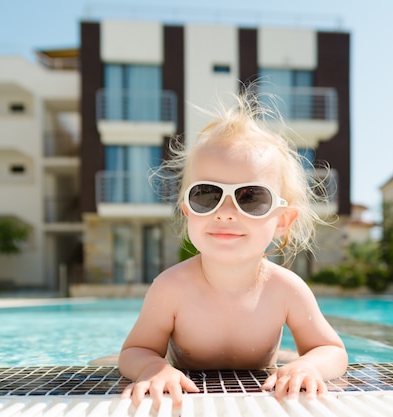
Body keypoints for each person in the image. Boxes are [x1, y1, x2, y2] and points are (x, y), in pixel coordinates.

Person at [118, 88, 348, 410]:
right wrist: (152, 368)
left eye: (251, 197)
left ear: (282, 221)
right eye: (207, 195)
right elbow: (134, 351)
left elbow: (332, 350)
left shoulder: (285, 289)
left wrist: (308, 366)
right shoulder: (170, 288)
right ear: (187, 211)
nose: (225, 211)